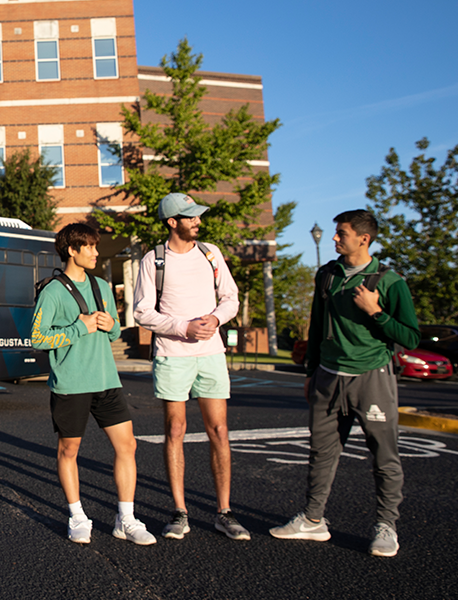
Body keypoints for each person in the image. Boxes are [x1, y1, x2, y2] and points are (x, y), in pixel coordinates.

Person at [269, 209, 420, 557]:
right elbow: (316, 326)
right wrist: (311, 373)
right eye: (336, 233)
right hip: (328, 376)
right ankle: (312, 519)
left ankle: (386, 526)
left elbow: (410, 337)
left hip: (372, 377)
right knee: (321, 452)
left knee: (384, 456)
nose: (335, 238)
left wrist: (376, 312)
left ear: (363, 238)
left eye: (342, 233)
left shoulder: (390, 281)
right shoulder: (327, 275)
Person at [133, 192, 250, 541]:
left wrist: (215, 318)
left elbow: (231, 298)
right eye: (191, 217)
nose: (198, 221)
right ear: (173, 222)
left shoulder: (211, 253)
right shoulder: (152, 260)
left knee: (219, 431)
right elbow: (142, 312)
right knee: (176, 431)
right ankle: (179, 512)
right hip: (172, 355)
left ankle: (224, 513)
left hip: (211, 354)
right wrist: (183, 327)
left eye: (198, 217)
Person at [31, 223, 156, 546]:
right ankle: (77, 516)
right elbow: (38, 338)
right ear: (72, 250)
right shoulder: (53, 291)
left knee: (127, 446)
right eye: (89, 247)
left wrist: (112, 325)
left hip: (106, 381)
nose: (96, 252)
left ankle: (125, 519)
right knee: (69, 450)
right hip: (71, 385)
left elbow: (113, 334)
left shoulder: (101, 286)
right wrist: (78, 328)